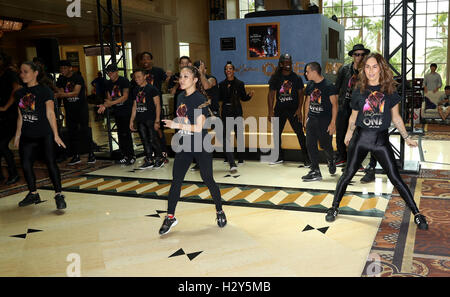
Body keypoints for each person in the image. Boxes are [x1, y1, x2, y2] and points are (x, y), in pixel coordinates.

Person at [325, 53, 428, 230]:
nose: (371, 70)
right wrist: (348, 134)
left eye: (374, 66)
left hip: (380, 141)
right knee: (348, 174)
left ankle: (417, 214)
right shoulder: (359, 89)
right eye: (367, 67)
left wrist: (406, 137)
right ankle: (334, 207)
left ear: (380, 68)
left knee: (396, 178)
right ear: (363, 69)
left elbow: (396, 118)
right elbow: (354, 116)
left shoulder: (389, 91)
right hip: (361, 139)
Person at [160, 65, 226, 235]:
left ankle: (219, 210)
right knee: (176, 180)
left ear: (195, 80)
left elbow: (198, 128)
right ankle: (170, 216)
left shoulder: (199, 99)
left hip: (200, 144)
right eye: (180, 76)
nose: (181, 79)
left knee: (208, 178)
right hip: (184, 144)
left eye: (186, 76)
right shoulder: (180, 95)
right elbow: (181, 118)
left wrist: (176, 124)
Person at [13, 61, 67, 210]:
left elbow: (50, 114)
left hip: (45, 134)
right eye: (21, 72)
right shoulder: (19, 93)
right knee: (25, 165)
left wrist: (56, 135)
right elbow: (20, 116)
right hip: (27, 136)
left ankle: (59, 194)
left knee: (50, 163)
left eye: (25, 71)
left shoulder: (45, 91)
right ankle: (33, 193)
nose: (22, 74)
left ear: (35, 73)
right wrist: (18, 135)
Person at [335, 44, 377, 183]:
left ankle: (356, 163)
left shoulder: (367, 71)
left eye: (362, 55)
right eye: (357, 54)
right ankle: (343, 159)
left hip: (360, 108)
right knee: (341, 133)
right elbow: (337, 88)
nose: (359, 57)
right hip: (344, 105)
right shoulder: (344, 69)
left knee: (358, 135)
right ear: (353, 56)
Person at [267, 53, 310, 167]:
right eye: (286, 63)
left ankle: (307, 159)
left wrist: (299, 109)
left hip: (293, 110)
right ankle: (278, 157)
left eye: (289, 62)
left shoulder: (296, 78)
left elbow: (301, 94)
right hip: (279, 110)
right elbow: (271, 95)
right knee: (276, 134)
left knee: (300, 134)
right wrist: (270, 111)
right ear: (281, 64)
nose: (288, 65)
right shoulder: (275, 78)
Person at [302, 62, 338, 181]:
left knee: (325, 145)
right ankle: (315, 170)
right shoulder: (310, 85)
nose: (305, 74)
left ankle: (331, 159)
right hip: (312, 119)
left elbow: (335, 105)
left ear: (313, 72)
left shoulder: (328, 85)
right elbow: (307, 102)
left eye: (307, 71)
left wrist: (333, 123)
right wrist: (305, 119)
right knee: (310, 144)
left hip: (324, 120)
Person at [55, 60, 96, 165]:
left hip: (81, 109)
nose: (62, 70)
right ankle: (76, 155)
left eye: (64, 68)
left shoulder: (78, 77)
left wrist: (62, 94)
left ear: (70, 68)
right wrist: (62, 94)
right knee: (72, 133)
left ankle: (91, 154)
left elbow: (76, 92)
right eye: (61, 68)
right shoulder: (61, 79)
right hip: (69, 110)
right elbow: (60, 91)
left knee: (85, 130)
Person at [218, 61, 253, 173]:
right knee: (226, 136)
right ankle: (227, 157)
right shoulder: (222, 84)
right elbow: (219, 98)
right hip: (226, 111)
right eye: (226, 69)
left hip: (236, 110)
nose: (228, 71)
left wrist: (249, 96)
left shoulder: (239, 83)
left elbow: (243, 98)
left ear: (233, 70)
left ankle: (241, 158)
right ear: (225, 71)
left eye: (230, 69)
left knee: (239, 135)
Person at [97, 64, 135, 165]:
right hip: (118, 111)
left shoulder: (123, 81)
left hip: (126, 110)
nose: (110, 74)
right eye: (108, 72)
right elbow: (109, 98)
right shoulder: (108, 83)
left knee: (126, 133)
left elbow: (125, 97)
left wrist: (111, 103)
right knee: (120, 134)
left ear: (117, 71)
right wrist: (104, 105)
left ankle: (131, 156)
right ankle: (125, 155)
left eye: (112, 72)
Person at [138, 51, 172, 163]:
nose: (146, 61)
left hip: (155, 107)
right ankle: (151, 153)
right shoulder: (139, 73)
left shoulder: (158, 71)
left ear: (151, 60)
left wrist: (169, 77)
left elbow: (167, 81)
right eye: (143, 59)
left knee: (158, 130)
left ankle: (163, 152)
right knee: (147, 133)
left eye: (148, 58)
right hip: (144, 108)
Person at [189, 59, 221, 171]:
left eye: (201, 68)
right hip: (201, 113)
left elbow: (207, 86)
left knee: (222, 137)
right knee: (199, 138)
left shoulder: (212, 78)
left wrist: (201, 73)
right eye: (197, 68)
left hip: (214, 113)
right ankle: (200, 163)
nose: (199, 70)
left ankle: (232, 163)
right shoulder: (195, 82)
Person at [129, 69, 164, 169]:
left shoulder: (152, 89)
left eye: (139, 76)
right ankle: (149, 159)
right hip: (140, 119)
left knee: (153, 139)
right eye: (135, 77)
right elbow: (134, 106)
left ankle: (159, 158)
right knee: (144, 140)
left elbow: (158, 105)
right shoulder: (135, 90)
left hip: (151, 119)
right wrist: (131, 120)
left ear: (145, 76)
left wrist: (157, 120)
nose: (137, 79)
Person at [0, 52, 20, 185]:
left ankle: (14, 174)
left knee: (2, 145)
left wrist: (6, 106)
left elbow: (17, 89)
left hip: (10, 114)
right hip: (1, 114)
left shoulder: (10, 73)